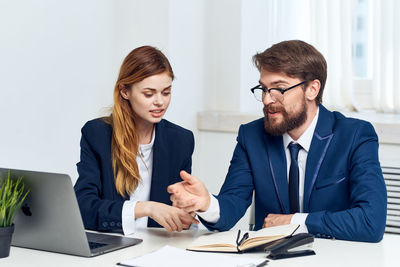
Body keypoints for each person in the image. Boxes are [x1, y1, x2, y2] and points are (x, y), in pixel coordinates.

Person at [168, 40, 387, 242]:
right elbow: (232, 204)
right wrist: (207, 204)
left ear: (312, 89)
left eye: (279, 89)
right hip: (269, 258)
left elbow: (370, 221)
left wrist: (294, 222)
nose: (267, 99)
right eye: (263, 88)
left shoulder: (355, 135)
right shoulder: (251, 136)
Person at [74, 46, 198, 235]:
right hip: (112, 246)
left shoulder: (180, 140)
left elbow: (180, 209)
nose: (160, 102)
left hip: (158, 249)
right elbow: (83, 208)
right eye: (149, 94)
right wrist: (145, 208)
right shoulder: (97, 134)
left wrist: (186, 213)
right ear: (125, 91)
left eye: (166, 92)